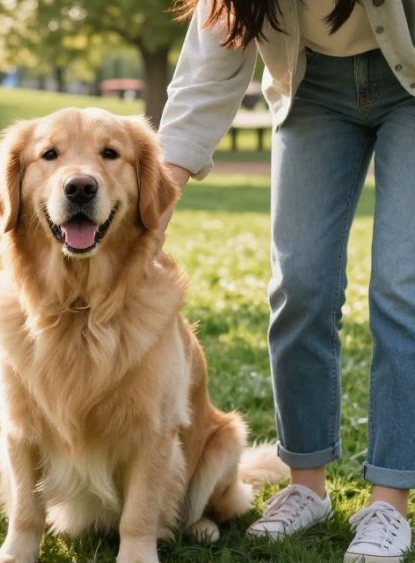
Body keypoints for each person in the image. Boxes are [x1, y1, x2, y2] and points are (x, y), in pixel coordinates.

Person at [159, 1, 415, 561]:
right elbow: (207, 70)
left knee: (403, 289)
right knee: (298, 286)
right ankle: (306, 487)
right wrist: (157, 202)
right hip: (312, 86)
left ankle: (389, 502)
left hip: (412, 79)